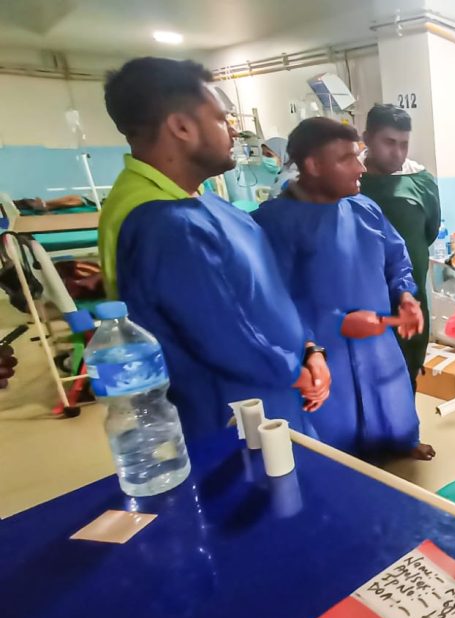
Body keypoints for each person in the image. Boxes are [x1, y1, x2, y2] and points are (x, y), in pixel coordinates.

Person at [100, 57, 329, 439]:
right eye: (222, 119)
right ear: (181, 127)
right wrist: (293, 369)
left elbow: (266, 291)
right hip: (234, 418)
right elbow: (222, 336)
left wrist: (309, 347)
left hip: (276, 390)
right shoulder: (163, 223)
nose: (234, 130)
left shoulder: (200, 201)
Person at [252, 117, 435, 461]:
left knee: (391, 405)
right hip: (323, 351)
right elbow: (270, 301)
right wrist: (333, 323)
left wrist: (405, 295)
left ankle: (402, 442)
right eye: (347, 159)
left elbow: (396, 257)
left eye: (357, 156)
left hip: (377, 345)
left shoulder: (364, 209)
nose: (360, 168)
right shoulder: (275, 224)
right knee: (336, 441)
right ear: (313, 166)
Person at [359, 104, 441, 388]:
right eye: (389, 142)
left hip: (410, 299)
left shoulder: (420, 182)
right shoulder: (351, 180)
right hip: (362, 299)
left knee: (406, 375)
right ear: (367, 139)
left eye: (404, 144)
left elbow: (429, 232)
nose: (397, 153)